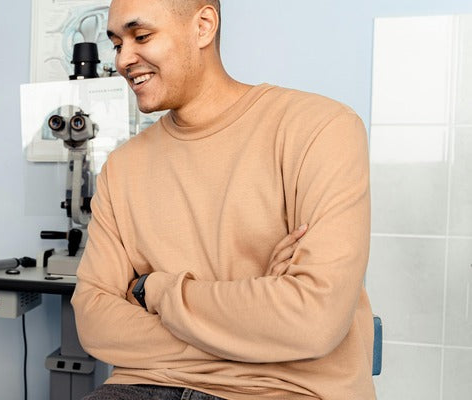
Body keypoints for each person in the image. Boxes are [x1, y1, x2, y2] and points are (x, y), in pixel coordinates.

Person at [70, 0, 374, 399]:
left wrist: (155, 291)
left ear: (204, 26)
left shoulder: (322, 129)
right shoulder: (122, 167)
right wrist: (255, 329)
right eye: (116, 44)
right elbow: (94, 319)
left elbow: (313, 320)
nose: (125, 58)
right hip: (146, 386)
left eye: (141, 36)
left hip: (287, 390)